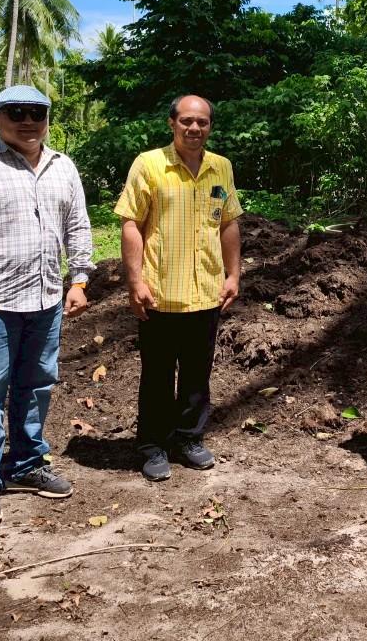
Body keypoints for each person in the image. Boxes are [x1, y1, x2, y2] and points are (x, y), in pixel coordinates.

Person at [0, 84, 94, 526]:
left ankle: (27, 464)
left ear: (47, 118)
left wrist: (79, 279)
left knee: (37, 385)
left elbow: (77, 224)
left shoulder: (63, 167)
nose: (27, 121)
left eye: (36, 113)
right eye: (16, 112)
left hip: (46, 299)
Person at [114, 95, 242, 482]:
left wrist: (233, 275)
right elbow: (131, 223)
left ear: (210, 126)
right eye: (186, 121)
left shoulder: (221, 167)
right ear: (172, 124)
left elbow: (228, 223)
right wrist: (135, 281)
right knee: (157, 375)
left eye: (202, 122)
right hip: (160, 293)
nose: (194, 128)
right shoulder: (149, 164)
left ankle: (189, 438)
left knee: (197, 374)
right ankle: (152, 444)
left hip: (206, 293)